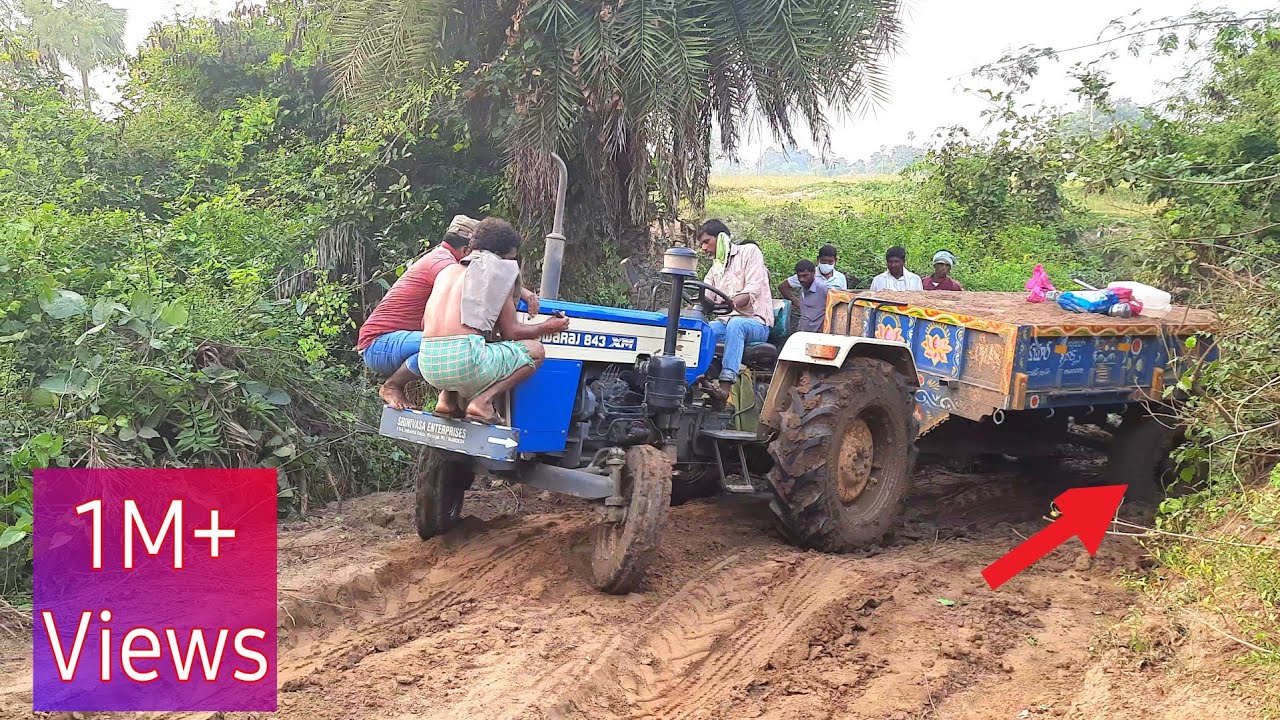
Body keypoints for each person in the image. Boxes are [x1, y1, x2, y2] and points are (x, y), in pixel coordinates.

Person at [358, 215, 541, 410]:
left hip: (398, 340)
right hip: (379, 343)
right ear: (466, 251)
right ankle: (392, 386)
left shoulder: (445, 262)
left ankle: (448, 401)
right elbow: (480, 282)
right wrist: (517, 290)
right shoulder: (444, 265)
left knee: (451, 341)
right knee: (447, 345)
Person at [418, 218, 570, 424]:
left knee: (464, 344)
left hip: (428, 363)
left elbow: (425, 324)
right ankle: (482, 402)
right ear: (501, 255)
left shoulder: (447, 272)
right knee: (535, 351)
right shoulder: (499, 271)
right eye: (511, 258)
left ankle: (446, 400)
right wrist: (548, 326)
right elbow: (512, 332)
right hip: (464, 362)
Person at [697, 220, 773, 402]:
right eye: (701, 244)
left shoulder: (750, 252)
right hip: (727, 324)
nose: (703, 248)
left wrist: (732, 302)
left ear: (721, 238)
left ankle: (725, 387)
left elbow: (753, 289)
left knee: (736, 324)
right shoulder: (715, 269)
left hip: (755, 323)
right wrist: (692, 309)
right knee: (703, 330)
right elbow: (705, 295)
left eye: (706, 241)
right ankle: (699, 379)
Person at [777, 259, 829, 332]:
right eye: (799, 276)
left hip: (818, 334)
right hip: (803, 332)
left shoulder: (823, 289)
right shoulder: (803, 290)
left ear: (814, 272)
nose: (801, 279)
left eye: (805, 275)